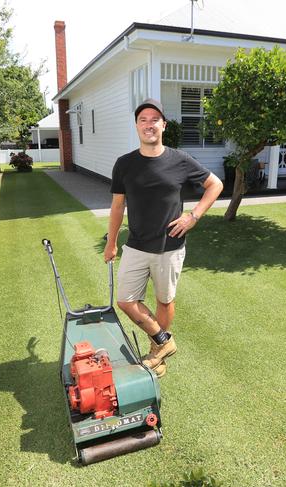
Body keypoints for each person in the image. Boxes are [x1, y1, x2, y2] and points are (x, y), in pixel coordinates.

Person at [104, 98, 223, 378]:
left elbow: (215, 184)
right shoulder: (124, 164)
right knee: (125, 300)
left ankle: (157, 353)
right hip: (135, 245)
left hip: (170, 247)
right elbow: (118, 206)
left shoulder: (180, 160)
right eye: (143, 120)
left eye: (154, 119)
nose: (149, 124)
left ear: (163, 126)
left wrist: (193, 216)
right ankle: (164, 341)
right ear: (137, 126)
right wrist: (111, 242)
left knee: (164, 301)